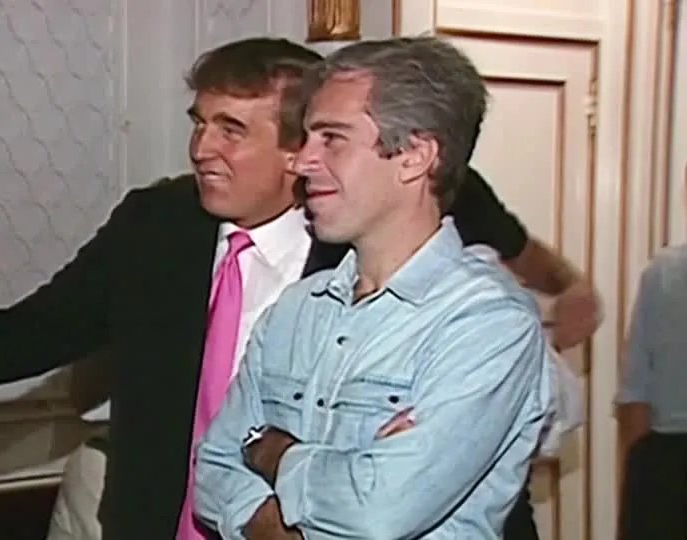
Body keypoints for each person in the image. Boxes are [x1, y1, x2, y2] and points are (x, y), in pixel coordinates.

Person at [0, 37, 598, 539]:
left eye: (231, 129)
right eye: (199, 123)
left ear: (295, 150)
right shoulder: (159, 226)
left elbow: (404, 492)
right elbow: (38, 329)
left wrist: (284, 461)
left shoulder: (375, 250)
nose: (203, 148)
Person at [194, 36, 553, 539]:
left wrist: (274, 451)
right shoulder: (297, 308)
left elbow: (378, 513)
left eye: (332, 139)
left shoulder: (489, 324)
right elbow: (211, 472)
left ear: (414, 156)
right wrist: (314, 503)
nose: (301, 161)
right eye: (307, 137)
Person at [615, 241, 687, 538]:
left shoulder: (663, 271)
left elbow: (635, 393)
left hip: (664, 462)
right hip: (664, 460)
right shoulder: (662, 272)